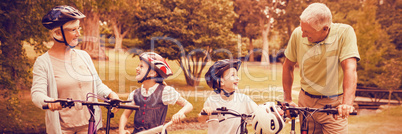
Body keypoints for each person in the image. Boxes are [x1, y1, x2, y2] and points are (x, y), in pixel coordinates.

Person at [30, 5, 120, 134]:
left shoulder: (83, 56)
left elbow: (97, 84)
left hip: (89, 126)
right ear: (57, 33)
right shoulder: (43, 62)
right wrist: (50, 101)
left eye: (79, 28)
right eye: (73, 30)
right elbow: (37, 94)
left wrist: (111, 94)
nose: (78, 34)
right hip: (63, 129)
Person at [282, 3, 360, 134]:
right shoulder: (297, 34)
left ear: (325, 29)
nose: (302, 35)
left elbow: (350, 68)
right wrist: (288, 100)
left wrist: (347, 103)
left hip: (333, 105)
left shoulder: (345, 33)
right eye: (302, 29)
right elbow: (288, 66)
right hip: (305, 103)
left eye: (307, 32)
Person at [119, 52, 193, 134]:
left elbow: (188, 105)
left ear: (152, 73)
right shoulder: (135, 94)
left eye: (141, 66)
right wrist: (121, 130)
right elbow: (125, 115)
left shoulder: (165, 91)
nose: (137, 68)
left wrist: (179, 113)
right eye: (138, 65)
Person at [198, 59, 258, 134]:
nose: (237, 78)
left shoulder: (243, 99)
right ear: (221, 81)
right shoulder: (212, 100)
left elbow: (259, 113)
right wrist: (205, 112)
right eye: (233, 75)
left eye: (237, 75)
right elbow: (201, 120)